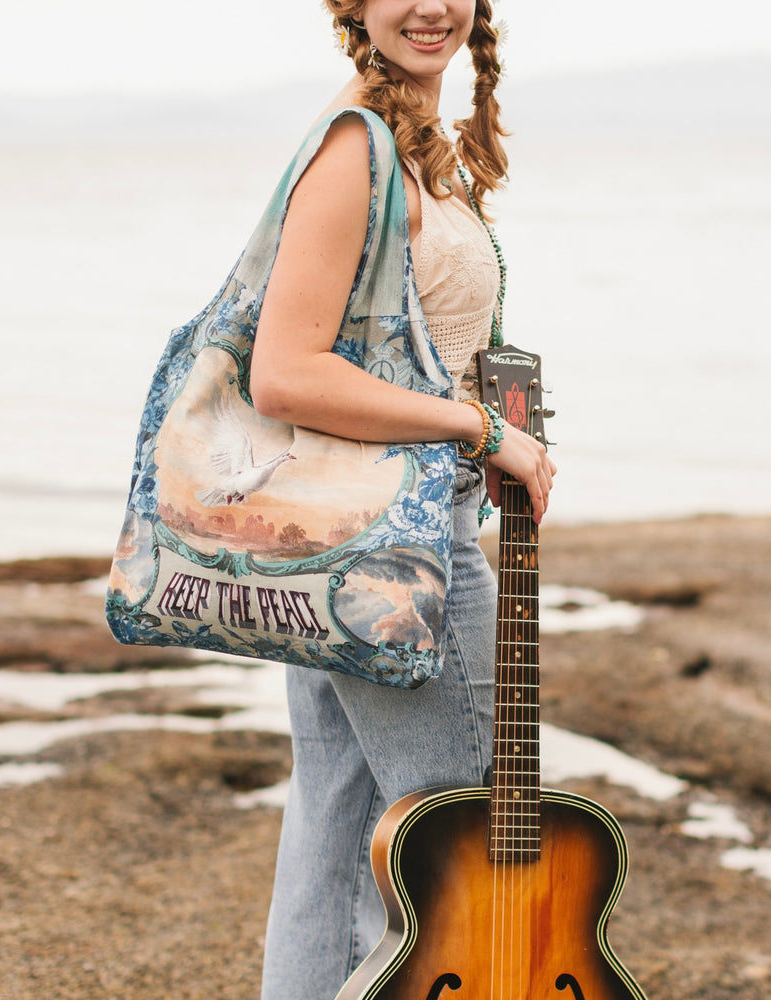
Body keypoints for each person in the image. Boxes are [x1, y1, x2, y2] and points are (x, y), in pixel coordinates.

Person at [252, 3, 556, 997]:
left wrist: (492, 428)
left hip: (361, 531)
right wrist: (477, 429)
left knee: (336, 845)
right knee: (461, 854)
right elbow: (284, 375)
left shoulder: (410, 147)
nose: (428, 6)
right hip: (391, 551)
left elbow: (401, 355)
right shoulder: (358, 149)